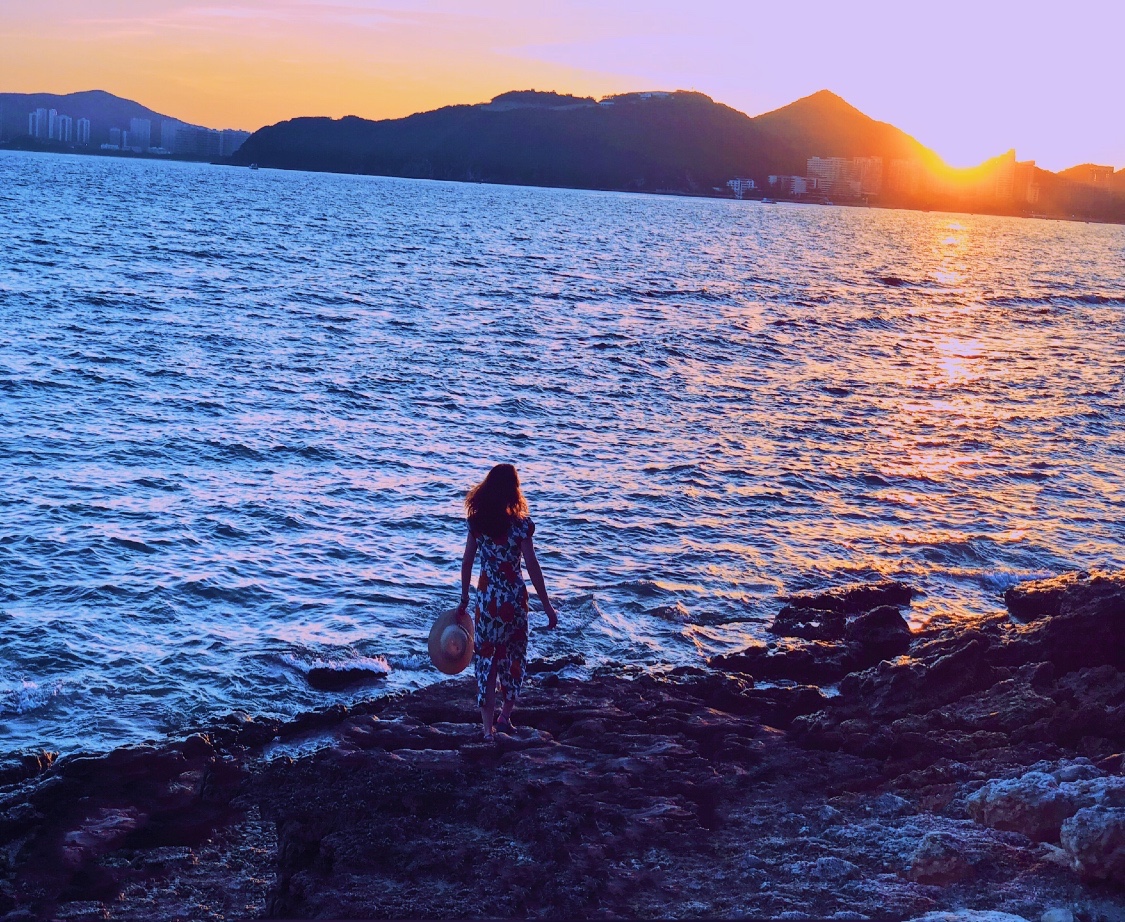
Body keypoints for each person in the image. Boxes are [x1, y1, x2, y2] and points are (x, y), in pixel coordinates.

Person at [457, 463, 557, 741]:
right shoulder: (521, 526)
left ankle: (487, 730)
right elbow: (533, 566)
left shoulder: (477, 524)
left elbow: (467, 562)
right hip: (514, 601)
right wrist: (547, 605)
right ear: (513, 490)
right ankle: (505, 716)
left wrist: (464, 598)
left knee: (487, 662)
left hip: (488, 602)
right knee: (514, 657)